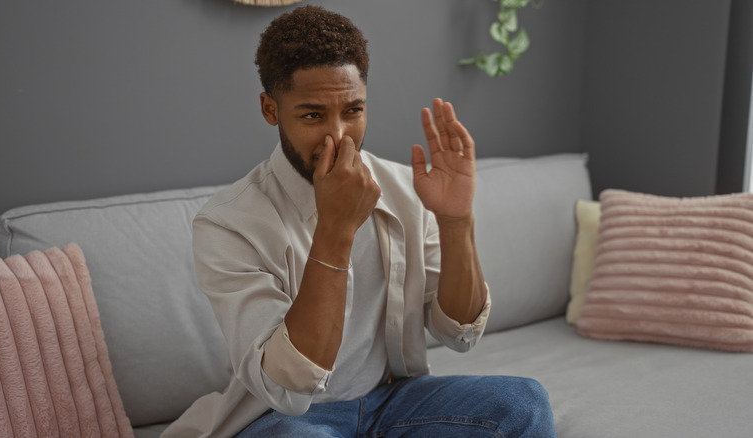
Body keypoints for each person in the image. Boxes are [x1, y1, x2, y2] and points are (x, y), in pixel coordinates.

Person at [163, 5, 556, 438]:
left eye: (352, 110)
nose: (339, 135)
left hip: (392, 402)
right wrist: (336, 228)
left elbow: (459, 334)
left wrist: (455, 219)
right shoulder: (227, 223)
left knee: (524, 404)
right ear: (270, 109)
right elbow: (286, 386)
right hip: (290, 418)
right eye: (312, 115)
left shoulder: (408, 189)